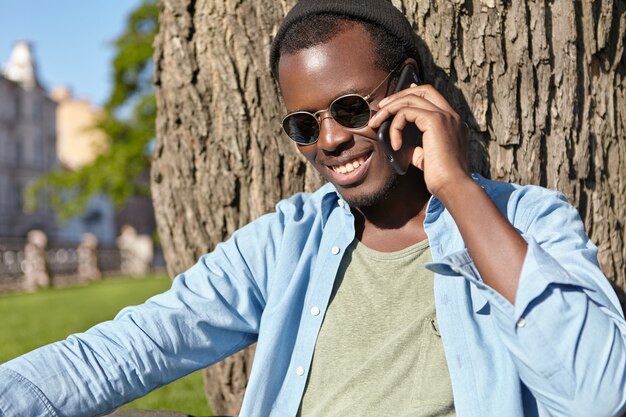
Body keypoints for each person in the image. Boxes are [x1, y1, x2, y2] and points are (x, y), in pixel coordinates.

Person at [2, 1, 626, 416]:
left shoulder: (528, 223)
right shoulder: (285, 242)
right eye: (305, 124)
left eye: (352, 109)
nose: (328, 140)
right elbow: (134, 347)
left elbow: (596, 394)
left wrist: (458, 190)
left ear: (411, 86)